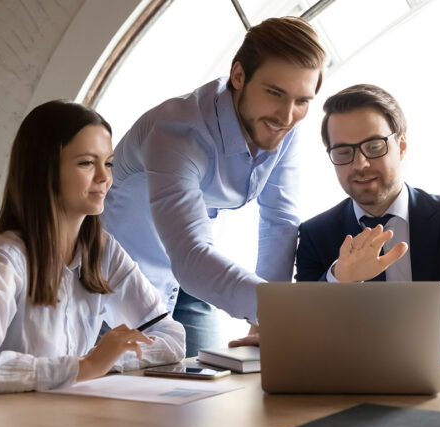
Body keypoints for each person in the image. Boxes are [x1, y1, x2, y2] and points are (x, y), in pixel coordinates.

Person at [101, 17, 325, 356]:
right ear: (238, 76)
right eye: (274, 93)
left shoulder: (284, 125)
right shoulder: (176, 132)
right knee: (116, 400)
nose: (287, 115)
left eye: (302, 101)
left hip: (192, 276)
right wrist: (280, 311)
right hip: (116, 281)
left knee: (207, 393)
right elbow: (190, 254)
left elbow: (279, 222)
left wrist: (266, 317)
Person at [295, 84, 440, 370]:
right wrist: (339, 279)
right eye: (343, 151)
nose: (360, 164)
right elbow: (304, 340)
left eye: (374, 147)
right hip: (353, 402)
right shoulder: (315, 235)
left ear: (402, 146)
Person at [0, 101, 185, 394]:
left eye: (108, 163)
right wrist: (85, 367)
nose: (104, 178)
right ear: (44, 169)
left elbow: (171, 337)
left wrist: (108, 360)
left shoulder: (104, 252)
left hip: (70, 419)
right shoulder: (5, 259)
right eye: (86, 163)